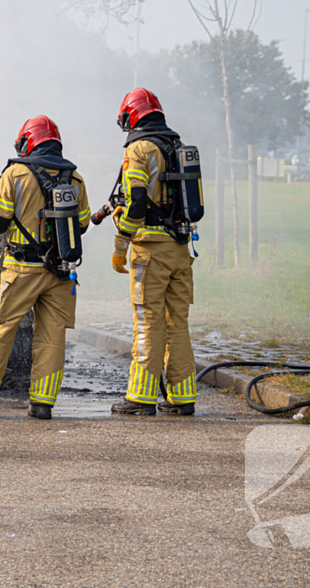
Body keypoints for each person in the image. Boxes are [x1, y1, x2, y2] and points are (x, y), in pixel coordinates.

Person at [0, 115, 91, 420]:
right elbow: (83, 224)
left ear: (28, 142)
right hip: (60, 272)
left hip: (21, 270)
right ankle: (42, 404)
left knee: (2, 329)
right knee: (52, 336)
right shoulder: (75, 179)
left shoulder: (16, 174)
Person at [109, 88, 197, 416]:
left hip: (150, 250)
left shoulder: (139, 148)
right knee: (178, 323)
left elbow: (137, 202)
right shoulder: (177, 145)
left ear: (131, 117)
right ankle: (182, 397)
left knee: (148, 321)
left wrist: (121, 242)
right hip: (180, 248)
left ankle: (141, 397)